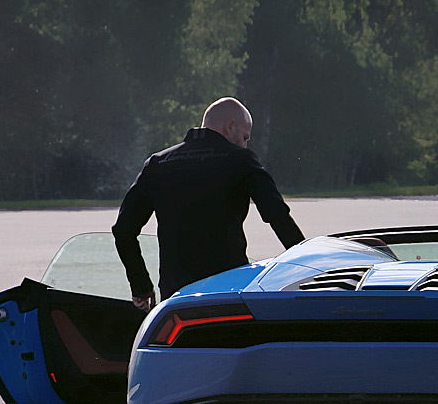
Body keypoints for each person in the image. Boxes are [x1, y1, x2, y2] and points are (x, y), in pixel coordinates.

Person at [113, 97, 305, 310]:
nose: (245, 144)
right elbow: (278, 217)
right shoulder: (240, 160)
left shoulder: (158, 164)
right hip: (228, 294)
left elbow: (123, 230)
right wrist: (308, 267)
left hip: (175, 299)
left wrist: (140, 285)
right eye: (244, 137)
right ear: (230, 126)